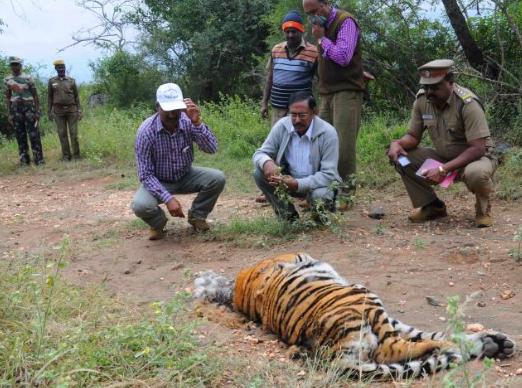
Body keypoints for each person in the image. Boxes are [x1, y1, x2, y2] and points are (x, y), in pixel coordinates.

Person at [387, 59, 497, 228]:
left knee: (477, 174)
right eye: (426, 87)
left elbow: (478, 148)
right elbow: (413, 136)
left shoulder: (468, 104)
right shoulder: (423, 101)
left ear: (450, 82)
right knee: (403, 159)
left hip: (475, 159)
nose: (429, 92)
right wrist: (397, 143)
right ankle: (433, 206)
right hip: (443, 158)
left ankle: (483, 210)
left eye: (435, 87)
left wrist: (443, 169)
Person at [131, 83, 226, 240]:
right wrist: (168, 199)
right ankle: (158, 223)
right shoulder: (146, 132)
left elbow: (212, 148)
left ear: (182, 107)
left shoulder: (188, 122)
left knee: (217, 178)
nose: (172, 114)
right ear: (157, 107)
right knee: (141, 206)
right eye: (167, 109)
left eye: (175, 109)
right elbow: (145, 174)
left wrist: (197, 123)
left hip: (186, 175)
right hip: (159, 180)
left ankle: (197, 216)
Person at [303, 0, 365, 203]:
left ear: (326, 3)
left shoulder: (345, 21)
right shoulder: (321, 26)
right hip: (327, 92)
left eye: (315, 10)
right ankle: (323, 191)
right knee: (322, 142)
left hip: (346, 91)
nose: (312, 16)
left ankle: (346, 194)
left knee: (343, 143)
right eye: (308, 13)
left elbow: (344, 57)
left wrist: (322, 39)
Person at [253, 91, 341, 222]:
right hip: (287, 181)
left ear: (314, 112)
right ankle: (288, 217)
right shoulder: (282, 125)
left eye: (302, 115)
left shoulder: (328, 133)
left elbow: (329, 175)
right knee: (259, 173)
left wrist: (298, 184)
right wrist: (267, 163)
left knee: (320, 196)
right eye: (293, 115)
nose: (297, 120)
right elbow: (259, 153)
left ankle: (319, 218)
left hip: (317, 185)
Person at [260, 10, 318, 126]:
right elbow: (270, 78)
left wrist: (316, 107)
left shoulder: (313, 52)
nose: (290, 35)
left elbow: (321, 81)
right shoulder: (276, 50)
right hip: (278, 109)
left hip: (301, 111)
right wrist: (264, 103)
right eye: (287, 32)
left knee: (300, 141)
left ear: (301, 31)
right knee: (279, 141)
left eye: (294, 31)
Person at [3, 56, 44, 165]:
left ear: (20, 65)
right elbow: (7, 97)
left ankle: (39, 160)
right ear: (10, 66)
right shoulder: (7, 79)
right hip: (16, 109)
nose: (14, 66)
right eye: (12, 64)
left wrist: (37, 111)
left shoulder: (28, 78)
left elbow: (35, 95)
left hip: (29, 108)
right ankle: (24, 161)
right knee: (20, 135)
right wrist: (9, 113)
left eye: (16, 64)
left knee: (34, 134)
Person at [48, 59, 82, 160]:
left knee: (74, 133)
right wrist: (49, 111)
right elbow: (50, 97)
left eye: (63, 67)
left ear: (65, 68)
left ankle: (77, 156)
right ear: (56, 69)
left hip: (72, 111)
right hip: (58, 112)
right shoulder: (51, 81)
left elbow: (76, 97)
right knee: (62, 134)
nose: (61, 69)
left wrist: (79, 110)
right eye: (59, 68)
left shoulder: (71, 81)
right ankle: (66, 156)